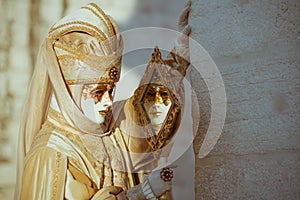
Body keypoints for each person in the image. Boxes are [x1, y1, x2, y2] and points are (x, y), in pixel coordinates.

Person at [15, 2, 192, 200]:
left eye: (111, 90)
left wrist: (179, 58)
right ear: (69, 90)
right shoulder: (50, 156)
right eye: (98, 92)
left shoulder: (113, 128)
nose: (107, 102)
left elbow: (147, 112)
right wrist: (143, 192)